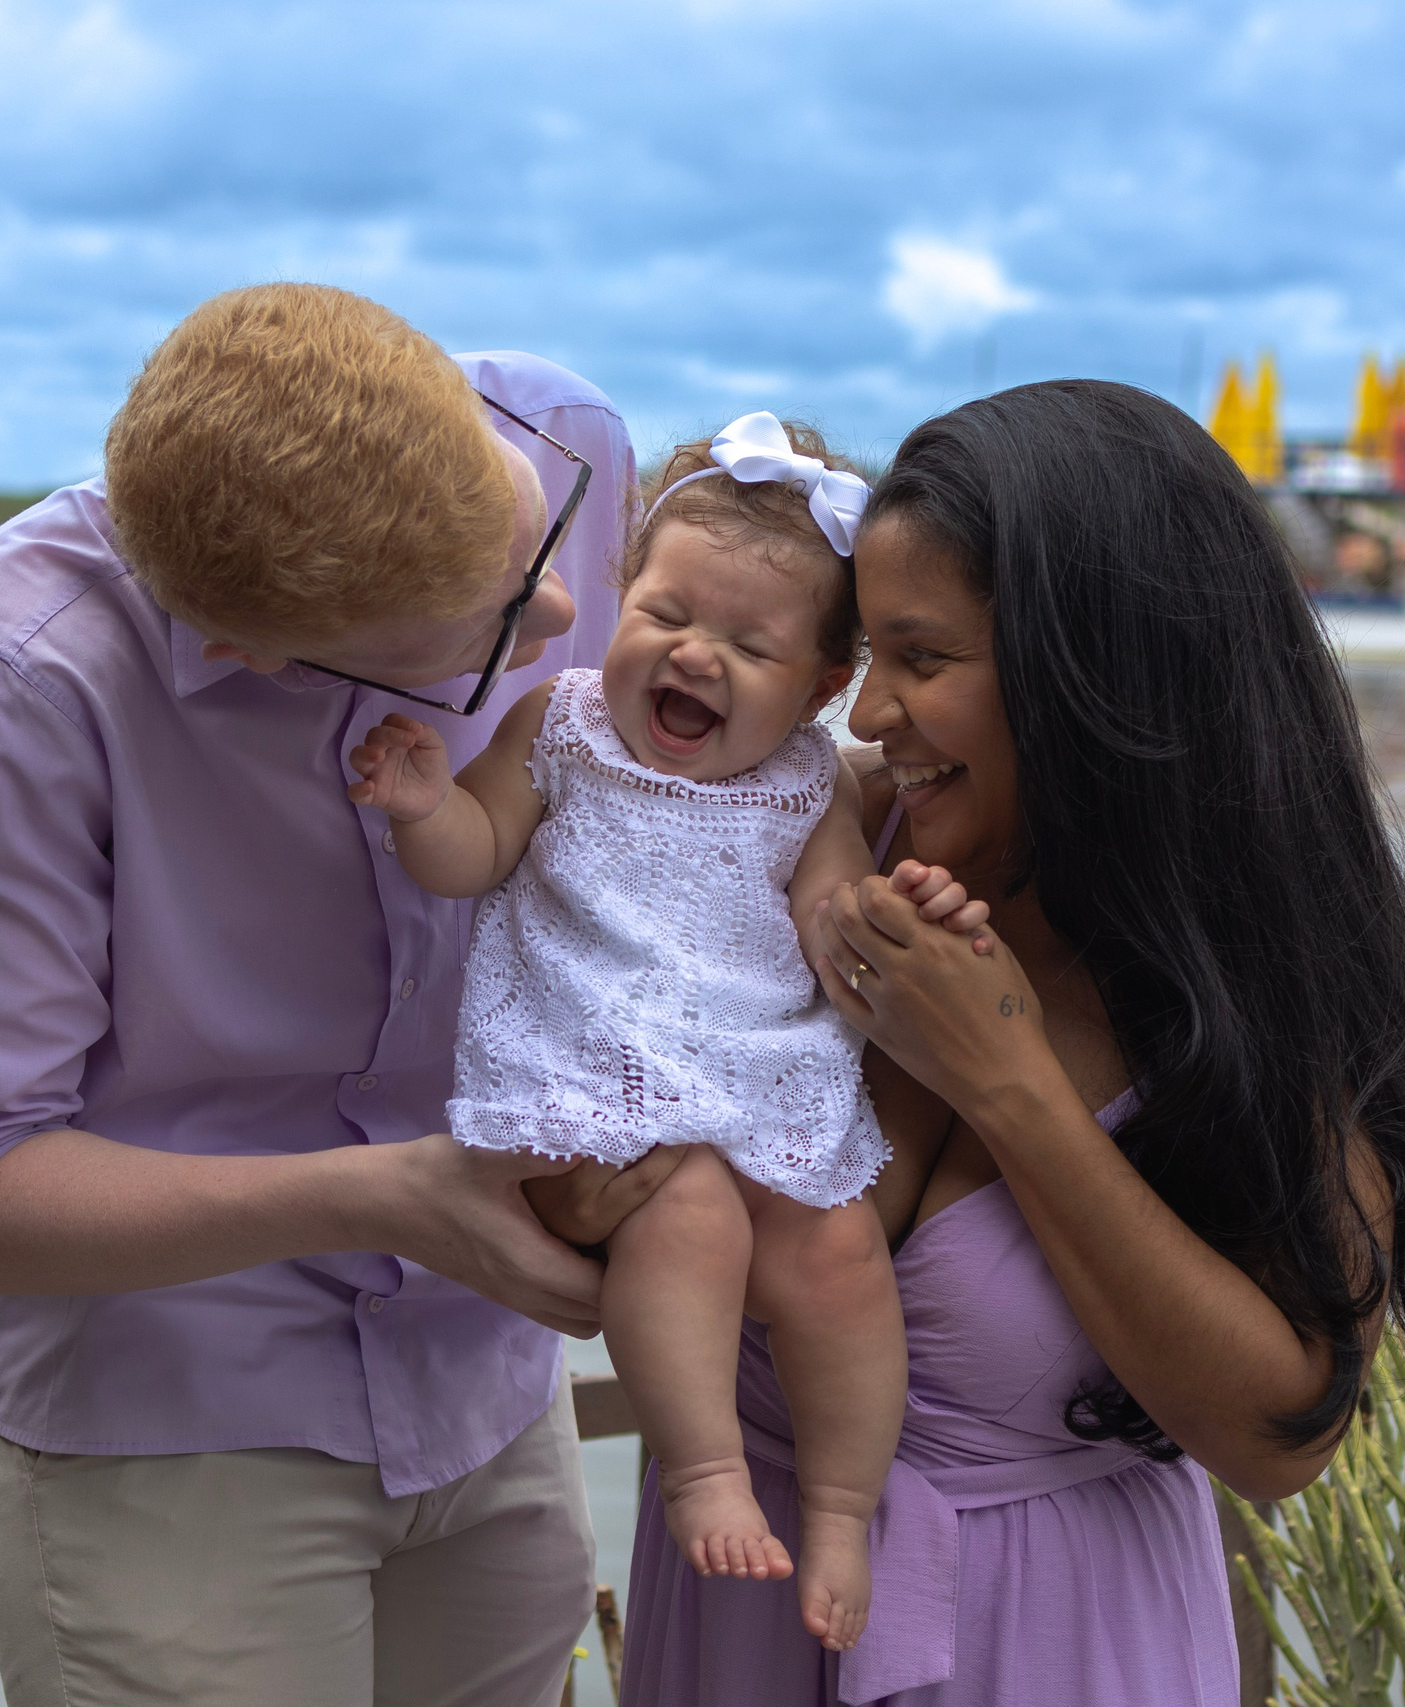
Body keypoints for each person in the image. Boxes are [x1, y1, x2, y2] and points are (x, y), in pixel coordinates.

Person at [597, 379, 1405, 1704]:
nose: (865, 716)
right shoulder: (794, 849)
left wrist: (1008, 1079)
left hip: (1055, 1647)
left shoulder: (1249, 982)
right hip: (734, 1631)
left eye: (923, 661)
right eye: (869, 660)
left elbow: (1278, 1434)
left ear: (1095, 672)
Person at [0, 282, 656, 1706]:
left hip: (490, 1375)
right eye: (486, 630)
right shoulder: (15, 674)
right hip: (174, 1427)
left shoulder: (563, 431)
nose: (559, 606)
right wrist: (382, 1196)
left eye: (536, 525)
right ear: (259, 654)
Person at [347, 415, 988, 1653]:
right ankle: (700, 1469)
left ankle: (846, 1506)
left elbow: (830, 917)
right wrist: (423, 808)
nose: (694, 655)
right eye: (667, 614)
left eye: (749, 643)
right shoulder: (565, 726)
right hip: (597, 1071)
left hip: (755, 1076)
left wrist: (886, 921)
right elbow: (476, 858)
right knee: (685, 1215)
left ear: (817, 687)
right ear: (617, 595)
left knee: (839, 1258)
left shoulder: (809, 782)